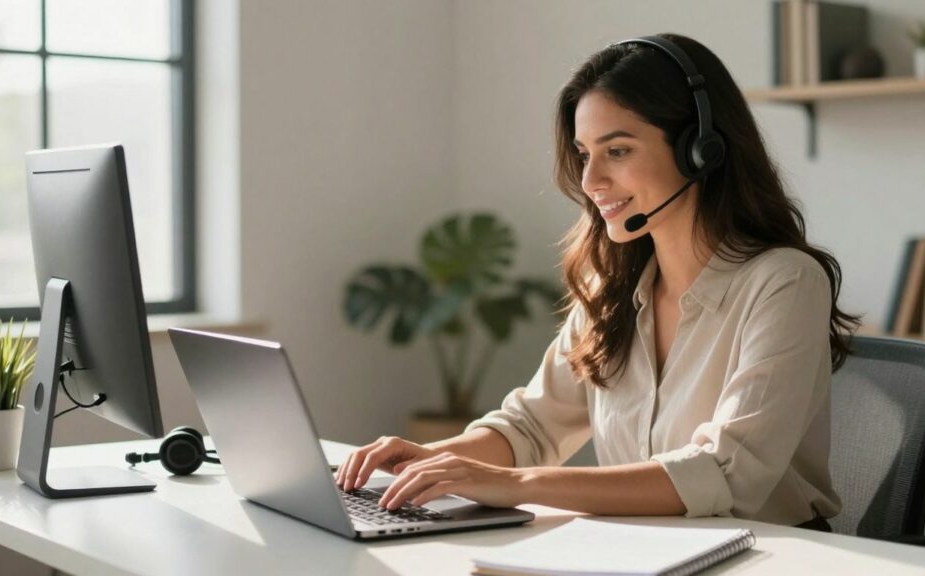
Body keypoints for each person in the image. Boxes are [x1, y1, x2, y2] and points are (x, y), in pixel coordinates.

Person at [335, 33, 860, 528]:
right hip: (643, 553)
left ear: (701, 150)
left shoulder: (783, 283)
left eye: (618, 151)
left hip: (768, 558)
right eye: (585, 155)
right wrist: (430, 459)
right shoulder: (613, 287)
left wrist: (514, 483)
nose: (590, 181)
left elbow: (725, 472)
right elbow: (532, 427)